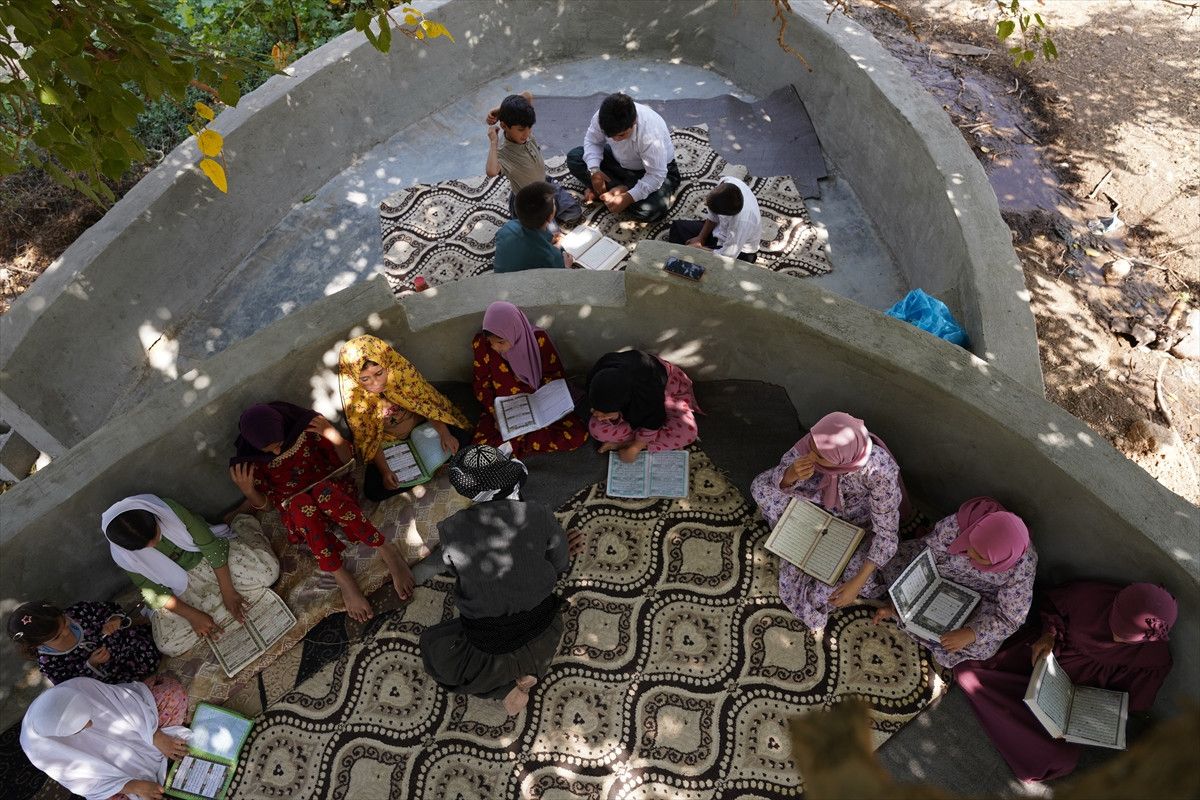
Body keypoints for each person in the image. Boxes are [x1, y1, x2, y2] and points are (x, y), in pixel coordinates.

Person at [955, 581, 1177, 782]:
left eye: (1126, 640)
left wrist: (1098, 713)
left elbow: (1133, 701)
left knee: (1059, 759)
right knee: (968, 672)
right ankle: (1020, 719)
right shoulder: (1091, 595)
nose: (1116, 639)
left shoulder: (1154, 658)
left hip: (1076, 698)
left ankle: (1022, 722)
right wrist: (1048, 635)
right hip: (1039, 662)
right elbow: (1053, 608)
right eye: (1115, 627)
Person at [420, 445, 584, 715]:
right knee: (535, 633)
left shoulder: (451, 529)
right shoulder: (539, 513)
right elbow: (560, 564)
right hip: (544, 627)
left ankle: (502, 687)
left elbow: (455, 572)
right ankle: (533, 669)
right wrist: (553, 546)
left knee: (433, 647)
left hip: (486, 645)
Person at [228, 401, 413, 622]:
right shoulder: (252, 462)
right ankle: (341, 575)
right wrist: (249, 491)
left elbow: (347, 462)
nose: (277, 451)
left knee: (322, 491)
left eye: (278, 443)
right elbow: (268, 506)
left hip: (336, 496)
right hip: (302, 517)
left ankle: (385, 548)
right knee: (299, 504)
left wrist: (333, 435)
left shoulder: (308, 430)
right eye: (268, 450)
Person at [750, 412, 906, 632]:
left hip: (855, 526)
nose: (811, 457)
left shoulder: (879, 472)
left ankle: (798, 539)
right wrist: (792, 474)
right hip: (815, 501)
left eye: (820, 457)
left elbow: (887, 535)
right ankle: (802, 539)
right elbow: (781, 478)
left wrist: (857, 583)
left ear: (844, 459)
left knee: (846, 582)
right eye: (811, 449)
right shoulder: (817, 440)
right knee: (761, 487)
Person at [102, 494, 280, 658]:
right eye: (143, 546)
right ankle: (218, 606)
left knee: (268, 572)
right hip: (179, 586)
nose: (153, 544)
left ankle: (239, 522)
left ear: (154, 517)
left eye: (154, 535)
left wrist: (227, 590)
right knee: (168, 644)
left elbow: (211, 547)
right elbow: (154, 592)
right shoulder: (122, 554)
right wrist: (193, 616)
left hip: (210, 560)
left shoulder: (168, 511)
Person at [874, 497, 1037, 667]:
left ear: (1001, 560)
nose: (970, 553)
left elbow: (1010, 617)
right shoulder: (961, 524)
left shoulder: (1021, 568)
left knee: (983, 647)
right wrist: (905, 596)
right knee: (893, 562)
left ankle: (909, 622)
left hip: (980, 596)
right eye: (970, 543)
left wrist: (970, 633)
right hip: (935, 574)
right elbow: (929, 553)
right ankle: (899, 611)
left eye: (981, 556)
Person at [338, 334, 472, 501]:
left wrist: (445, 434)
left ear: (386, 364)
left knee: (463, 438)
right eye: (365, 379)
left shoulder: (403, 375)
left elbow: (428, 406)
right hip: (393, 444)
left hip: (424, 429)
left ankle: (427, 468)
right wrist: (386, 471)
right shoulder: (357, 401)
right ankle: (424, 471)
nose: (375, 383)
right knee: (374, 490)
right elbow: (370, 439)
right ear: (355, 379)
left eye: (379, 373)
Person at [20, 674, 190, 800]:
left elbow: (125, 704)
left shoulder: (77, 687)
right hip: (113, 773)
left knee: (171, 692)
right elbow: (84, 782)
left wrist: (156, 735)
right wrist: (133, 786)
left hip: (138, 731)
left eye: (89, 718)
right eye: (80, 728)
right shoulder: (39, 751)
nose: (91, 726)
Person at [471, 301, 588, 457]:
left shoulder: (538, 340)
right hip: (504, 412)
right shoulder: (482, 345)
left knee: (577, 434)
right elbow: (482, 385)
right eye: (492, 343)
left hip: (539, 406)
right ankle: (522, 440)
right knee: (478, 452)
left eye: (500, 342)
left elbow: (555, 377)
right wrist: (496, 415)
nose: (495, 348)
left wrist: (544, 405)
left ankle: (518, 442)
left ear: (514, 331)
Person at [566, 92, 681, 222]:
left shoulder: (649, 135)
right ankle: (618, 188)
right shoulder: (601, 118)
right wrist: (594, 170)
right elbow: (593, 141)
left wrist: (628, 197)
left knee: (652, 210)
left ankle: (621, 187)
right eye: (609, 135)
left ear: (634, 122)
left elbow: (656, 175)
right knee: (575, 157)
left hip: (654, 170)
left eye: (621, 135)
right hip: (619, 161)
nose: (615, 139)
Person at [7, 599, 159, 686]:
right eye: (57, 637)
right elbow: (74, 687)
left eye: (66, 623)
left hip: (129, 646)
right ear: (37, 645)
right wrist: (92, 664)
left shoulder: (78, 613)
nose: (67, 632)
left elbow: (108, 609)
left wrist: (113, 620)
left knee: (152, 649)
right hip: (113, 677)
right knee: (127, 690)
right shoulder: (50, 664)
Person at [484, 91, 582, 226]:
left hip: (544, 185)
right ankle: (543, 220)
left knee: (575, 212)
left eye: (530, 127)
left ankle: (549, 215)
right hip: (528, 202)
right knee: (547, 237)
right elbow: (491, 171)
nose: (527, 133)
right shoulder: (503, 153)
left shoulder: (525, 130)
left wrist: (501, 110)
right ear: (504, 126)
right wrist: (493, 142)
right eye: (521, 129)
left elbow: (527, 95)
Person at [585, 350, 699, 461]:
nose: (599, 416)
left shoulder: (646, 394)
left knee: (687, 432)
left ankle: (623, 444)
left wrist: (635, 448)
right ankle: (657, 439)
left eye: (605, 413)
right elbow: (604, 400)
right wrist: (613, 417)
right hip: (636, 403)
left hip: (667, 392)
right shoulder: (598, 377)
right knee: (596, 428)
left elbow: (654, 418)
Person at [667, 176, 762, 263]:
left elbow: (727, 256)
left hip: (738, 251)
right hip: (719, 231)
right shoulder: (726, 182)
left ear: (724, 213)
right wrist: (700, 238)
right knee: (678, 227)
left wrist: (699, 249)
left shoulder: (743, 222)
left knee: (705, 263)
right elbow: (713, 216)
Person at [493, 182, 576, 273]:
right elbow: (557, 274)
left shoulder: (507, 227)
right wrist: (566, 267)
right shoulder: (552, 257)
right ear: (550, 217)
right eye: (554, 204)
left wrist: (553, 242)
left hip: (498, 279)